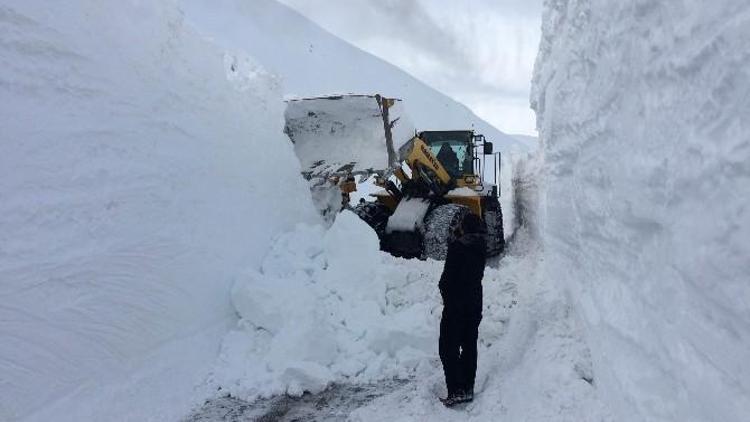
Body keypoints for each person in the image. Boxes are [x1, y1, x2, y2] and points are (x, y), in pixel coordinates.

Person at [438, 212, 487, 407]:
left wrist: (445, 294)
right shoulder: (480, 247)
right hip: (474, 302)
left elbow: (447, 278)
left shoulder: (457, 248)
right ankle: (467, 388)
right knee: (469, 345)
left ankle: (455, 390)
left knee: (447, 347)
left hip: (456, 305)